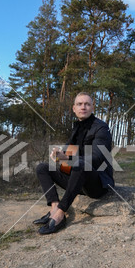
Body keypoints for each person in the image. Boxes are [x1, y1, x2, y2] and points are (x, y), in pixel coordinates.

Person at [34, 92, 114, 235]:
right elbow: (67, 154)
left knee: (81, 164)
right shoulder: (76, 128)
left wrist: (67, 160)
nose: (83, 107)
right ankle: (54, 206)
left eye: (87, 104)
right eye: (79, 104)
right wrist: (59, 155)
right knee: (42, 167)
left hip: (96, 184)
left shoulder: (102, 128)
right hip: (77, 180)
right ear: (74, 108)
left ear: (92, 108)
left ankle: (60, 213)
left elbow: (96, 158)